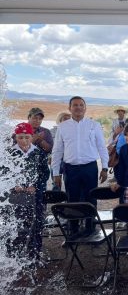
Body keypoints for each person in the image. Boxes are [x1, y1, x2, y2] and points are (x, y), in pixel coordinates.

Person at [51, 96, 109, 237]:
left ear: (85, 108)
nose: (78, 107)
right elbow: (57, 150)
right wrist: (56, 173)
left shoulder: (93, 125)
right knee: (72, 199)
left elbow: (102, 147)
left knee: (91, 198)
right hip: (70, 169)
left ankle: (90, 229)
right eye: (75, 105)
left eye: (81, 105)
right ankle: (74, 229)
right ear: (70, 108)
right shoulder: (63, 127)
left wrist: (105, 167)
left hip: (89, 167)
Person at [2, 123, 50, 261]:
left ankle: (34, 253)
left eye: (27, 137)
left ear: (31, 137)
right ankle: (15, 256)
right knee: (17, 223)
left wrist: (35, 186)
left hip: (35, 195)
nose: (24, 140)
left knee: (36, 223)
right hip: (16, 196)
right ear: (15, 137)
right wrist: (13, 185)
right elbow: (4, 173)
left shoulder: (38, 153)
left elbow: (44, 174)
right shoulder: (10, 153)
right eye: (20, 137)